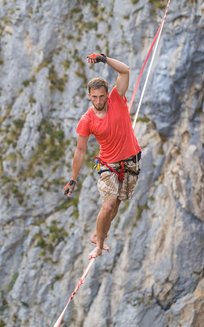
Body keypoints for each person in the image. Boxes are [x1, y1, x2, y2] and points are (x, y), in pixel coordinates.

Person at [63, 53, 142, 260]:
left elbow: (125, 70)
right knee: (107, 205)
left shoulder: (117, 98)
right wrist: (73, 180)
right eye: (94, 97)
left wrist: (103, 59)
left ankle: (99, 234)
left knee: (115, 206)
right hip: (108, 164)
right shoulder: (86, 120)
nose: (98, 101)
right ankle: (99, 245)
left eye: (101, 96)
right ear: (89, 96)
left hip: (132, 161)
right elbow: (80, 151)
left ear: (108, 94)